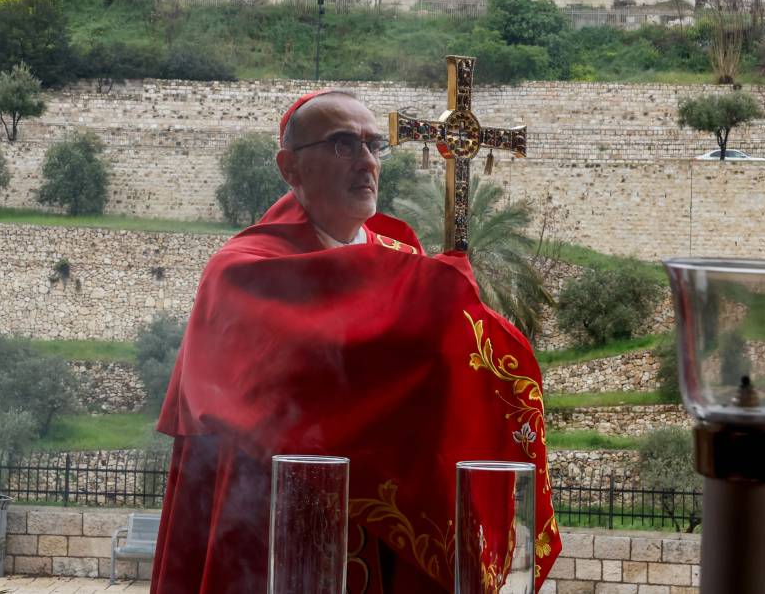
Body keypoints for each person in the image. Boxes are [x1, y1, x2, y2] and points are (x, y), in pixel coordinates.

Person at [151, 90, 560, 593]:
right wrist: (434, 295)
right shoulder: (242, 271)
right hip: (270, 526)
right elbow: (320, 369)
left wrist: (448, 311)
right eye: (343, 145)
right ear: (290, 168)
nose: (366, 161)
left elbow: (441, 374)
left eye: (373, 146)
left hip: (393, 532)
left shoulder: (403, 257)